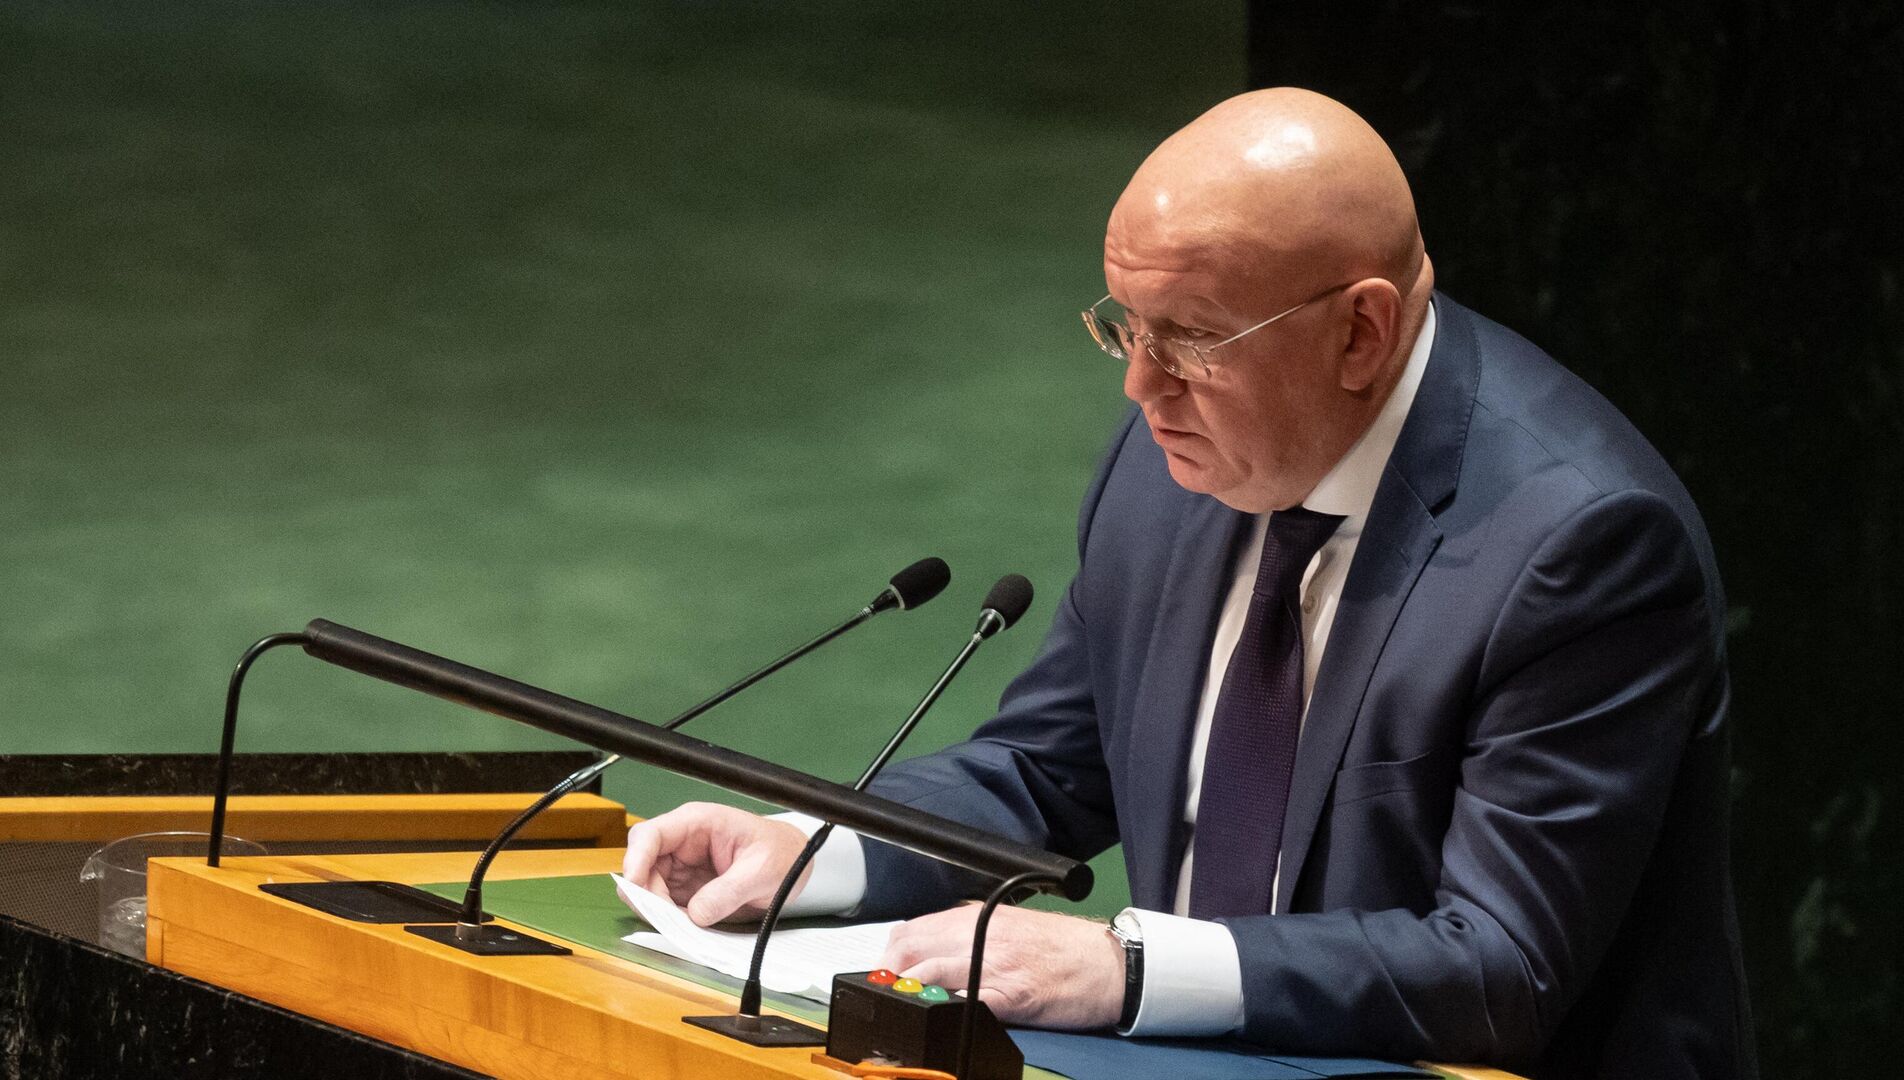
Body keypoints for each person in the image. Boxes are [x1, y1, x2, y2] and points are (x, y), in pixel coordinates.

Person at [623, 88, 1756, 1079]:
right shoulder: (1174, 466)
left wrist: (1126, 969)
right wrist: (819, 850)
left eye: (1194, 339)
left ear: (1362, 332)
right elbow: (1047, 768)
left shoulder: (1579, 547)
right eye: (1125, 326)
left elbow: (1499, 967)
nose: (1141, 387)